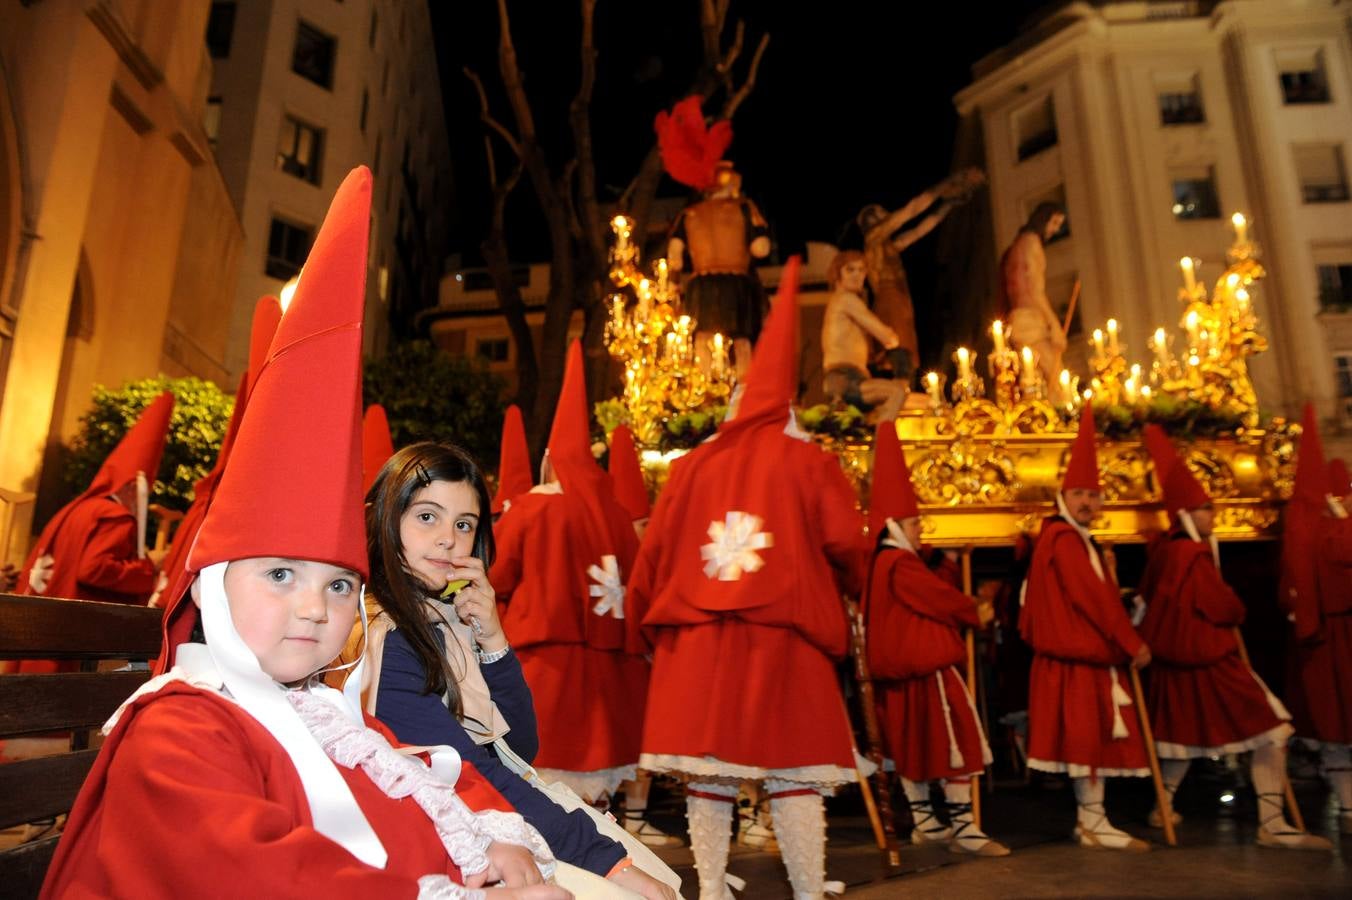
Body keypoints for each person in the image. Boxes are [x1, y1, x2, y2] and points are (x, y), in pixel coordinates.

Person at [41, 167, 567, 900]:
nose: (318, 607)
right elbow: (255, 871)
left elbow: (413, 789)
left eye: (340, 584)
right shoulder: (178, 730)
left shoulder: (322, 710)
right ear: (216, 589)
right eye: (282, 575)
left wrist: (486, 845)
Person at [629, 258, 869, 900]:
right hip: (785, 639)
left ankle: (709, 887)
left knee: (708, 776)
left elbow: (649, 561)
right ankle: (808, 889)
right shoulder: (809, 461)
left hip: (697, 645)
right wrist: (849, 591)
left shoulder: (687, 468)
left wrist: (645, 629)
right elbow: (848, 543)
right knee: (794, 776)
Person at [354, 441, 677, 896]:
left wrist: (493, 641)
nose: (448, 538)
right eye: (427, 516)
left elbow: (519, 748)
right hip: (452, 838)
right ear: (386, 519)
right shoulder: (388, 636)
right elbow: (470, 769)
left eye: (463, 524)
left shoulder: (439, 615)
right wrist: (608, 862)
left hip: (491, 810)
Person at [1138, 425, 1329, 849]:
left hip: (1181, 664)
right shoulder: (1191, 554)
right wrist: (1236, 607)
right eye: (1205, 508)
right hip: (1212, 661)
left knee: (1179, 743)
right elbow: (1223, 607)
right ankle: (1273, 822)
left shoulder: (1166, 553)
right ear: (1188, 514)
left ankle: (1163, 807)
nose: (1213, 514)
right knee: (1274, 731)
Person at [490, 341, 651, 810]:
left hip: (545, 671)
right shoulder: (618, 516)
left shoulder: (531, 509)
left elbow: (496, 577)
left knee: (541, 790)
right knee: (598, 797)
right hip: (608, 673)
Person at [863, 423, 1008, 857]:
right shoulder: (898, 564)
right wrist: (973, 609)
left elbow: (925, 594)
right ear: (895, 526)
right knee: (955, 744)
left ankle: (926, 821)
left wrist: (947, 562)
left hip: (906, 676)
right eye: (914, 523)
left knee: (913, 747)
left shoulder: (889, 562)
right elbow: (936, 598)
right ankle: (964, 828)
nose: (921, 529)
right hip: (929, 672)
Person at [1020, 409, 1153, 852]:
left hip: (1084, 656)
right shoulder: (1065, 540)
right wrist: (1131, 642)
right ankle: (1094, 822)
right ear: (1063, 496)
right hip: (1078, 656)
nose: (1087, 503)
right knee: (1086, 738)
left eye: (1094, 495)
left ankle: (1092, 821)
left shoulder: (1071, 539)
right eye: (1079, 493)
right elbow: (1092, 599)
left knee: (1090, 738)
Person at [1280, 404, 1352, 836]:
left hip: (1331, 636)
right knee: (1337, 722)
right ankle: (1346, 802)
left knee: (1338, 721)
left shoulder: (1319, 525)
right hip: (1333, 638)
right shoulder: (1328, 529)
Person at [857, 167, 985, 381]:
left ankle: (906, 383)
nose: (887, 214)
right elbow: (911, 210)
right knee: (897, 349)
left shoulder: (888, 246)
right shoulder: (874, 237)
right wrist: (948, 183)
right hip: (890, 299)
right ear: (871, 221)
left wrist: (948, 205)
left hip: (900, 298)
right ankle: (899, 383)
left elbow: (919, 230)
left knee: (907, 348)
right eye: (881, 212)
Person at [821, 250, 907, 422]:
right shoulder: (847, 299)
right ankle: (884, 442)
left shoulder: (838, 302)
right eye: (850, 270)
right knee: (898, 392)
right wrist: (893, 339)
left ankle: (879, 435)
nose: (857, 275)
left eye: (861, 270)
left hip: (849, 378)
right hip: (845, 377)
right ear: (837, 272)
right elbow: (886, 336)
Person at [1000, 202, 1068, 396]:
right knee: (1056, 381)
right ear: (1042, 219)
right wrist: (1054, 325)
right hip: (1029, 320)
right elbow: (1034, 290)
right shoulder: (1031, 243)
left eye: (1059, 224)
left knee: (1034, 381)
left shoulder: (1018, 245)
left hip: (1018, 319)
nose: (1055, 229)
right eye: (1054, 222)